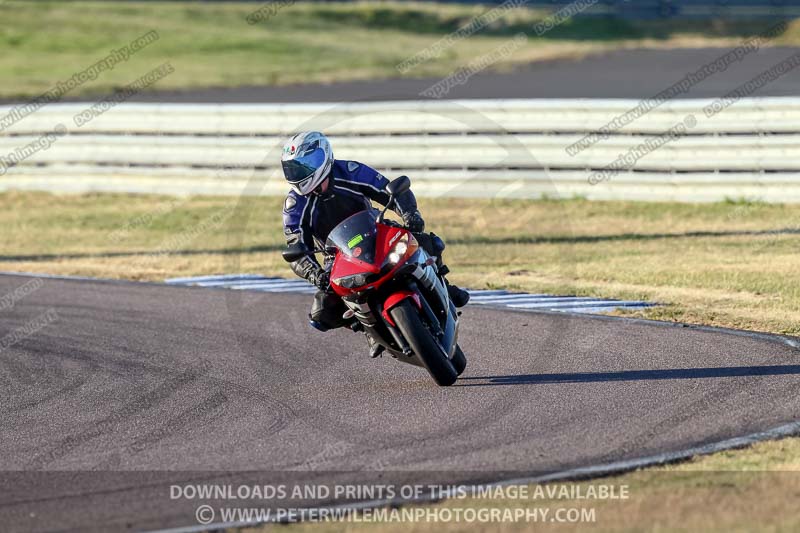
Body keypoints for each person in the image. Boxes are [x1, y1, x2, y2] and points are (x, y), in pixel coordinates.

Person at [281, 131, 469, 356]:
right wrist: (315, 274)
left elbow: (390, 189)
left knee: (429, 242)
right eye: (295, 168)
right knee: (322, 313)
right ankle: (367, 327)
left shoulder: (350, 171)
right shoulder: (295, 204)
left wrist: (410, 214)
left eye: (306, 165)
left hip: (377, 231)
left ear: (324, 156)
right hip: (339, 256)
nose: (302, 173)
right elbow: (296, 246)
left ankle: (443, 286)